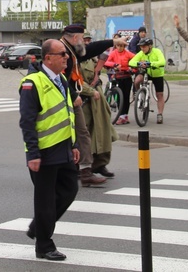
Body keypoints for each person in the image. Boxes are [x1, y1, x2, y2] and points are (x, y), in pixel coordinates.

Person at [20, 39, 79, 262]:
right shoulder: (32, 83)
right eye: (62, 54)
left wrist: (73, 145)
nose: (66, 57)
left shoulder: (61, 79)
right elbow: (27, 121)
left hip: (63, 148)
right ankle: (44, 245)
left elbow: (67, 114)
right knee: (44, 201)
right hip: (43, 152)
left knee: (69, 190)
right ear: (48, 58)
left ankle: (38, 226)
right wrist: (32, 154)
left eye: (66, 54)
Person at [58, 24, 111, 187]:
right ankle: (63, 169)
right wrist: (74, 95)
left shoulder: (72, 50)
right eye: (82, 38)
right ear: (75, 38)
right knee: (66, 135)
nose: (84, 42)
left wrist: (112, 42)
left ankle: (86, 171)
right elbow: (57, 77)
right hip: (60, 101)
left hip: (71, 97)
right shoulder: (61, 51)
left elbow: (91, 49)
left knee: (82, 133)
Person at [79, 35, 116, 178]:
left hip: (97, 96)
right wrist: (89, 90)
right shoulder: (74, 58)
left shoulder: (93, 57)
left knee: (103, 129)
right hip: (83, 98)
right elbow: (73, 80)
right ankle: (82, 167)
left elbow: (101, 66)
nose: (87, 43)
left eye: (89, 40)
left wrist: (97, 75)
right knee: (84, 132)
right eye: (84, 40)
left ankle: (100, 164)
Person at [129, 37, 167, 123]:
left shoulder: (157, 51)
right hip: (146, 72)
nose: (142, 48)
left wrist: (151, 64)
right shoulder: (141, 53)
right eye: (141, 47)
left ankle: (160, 114)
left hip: (157, 73)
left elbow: (162, 62)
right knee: (137, 80)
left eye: (144, 46)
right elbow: (131, 62)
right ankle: (138, 93)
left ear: (150, 46)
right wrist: (139, 63)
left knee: (159, 94)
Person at [104, 37, 136, 125]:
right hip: (117, 77)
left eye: (122, 46)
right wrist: (115, 64)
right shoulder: (113, 53)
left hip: (126, 77)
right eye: (118, 45)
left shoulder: (128, 54)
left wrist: (132, 69)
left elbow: (136, 60)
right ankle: (121, 115)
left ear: (124, 46)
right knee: (119, 96)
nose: (120, 47)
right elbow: (106, 62)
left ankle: (124, 116)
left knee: (126, 97)